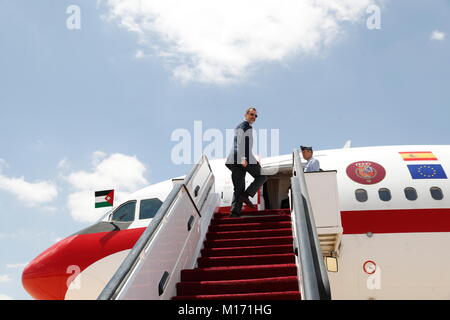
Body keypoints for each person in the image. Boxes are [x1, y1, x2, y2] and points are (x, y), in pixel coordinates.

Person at [225, 107, 268, 217]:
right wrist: (243, 157)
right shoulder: (244, 126)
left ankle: (235, 213)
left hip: (235, 159)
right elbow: (240, 141)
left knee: (238, 187)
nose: (253, 117)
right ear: (246, 114)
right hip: (242, 157)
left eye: (255, 115)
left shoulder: (243, 126)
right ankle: (246, 195)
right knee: (262, 176)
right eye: (251, 114)